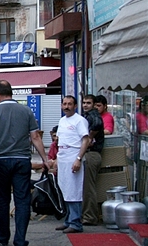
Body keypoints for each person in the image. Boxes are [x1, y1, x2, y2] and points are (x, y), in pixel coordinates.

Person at [0, 80, 49, 246]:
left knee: (3, 200)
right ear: (11, 93)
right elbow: (35, 137)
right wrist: (45, 159)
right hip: (22, 160)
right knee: (22, 200)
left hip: (0, 161)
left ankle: (3, 236)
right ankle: (20, 239)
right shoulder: (26, 111)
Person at [55, 95, 90, 234]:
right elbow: (60, 141)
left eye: (70, 104)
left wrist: (78, 158)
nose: (66, 106)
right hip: (63, 156)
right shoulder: (62, 120)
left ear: (75, 106)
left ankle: (76, 223)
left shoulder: (80, 121)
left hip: (73, 156)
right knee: (65, 189)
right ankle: (68, 219)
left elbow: (85, 140)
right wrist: (57, 160)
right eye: (64, 104)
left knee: (73, 190)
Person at [81, 94, 104, 226]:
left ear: (94, 104)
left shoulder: (93, 115)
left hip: (91, 154)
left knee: (88, 187)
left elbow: (97, 123)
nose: (85, 105)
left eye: (88, 103)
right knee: (85, 187)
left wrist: (89, 137)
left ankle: (89, 216)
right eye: (84, 102)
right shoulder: (87, 115)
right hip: (88, 154)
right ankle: (86, 215)